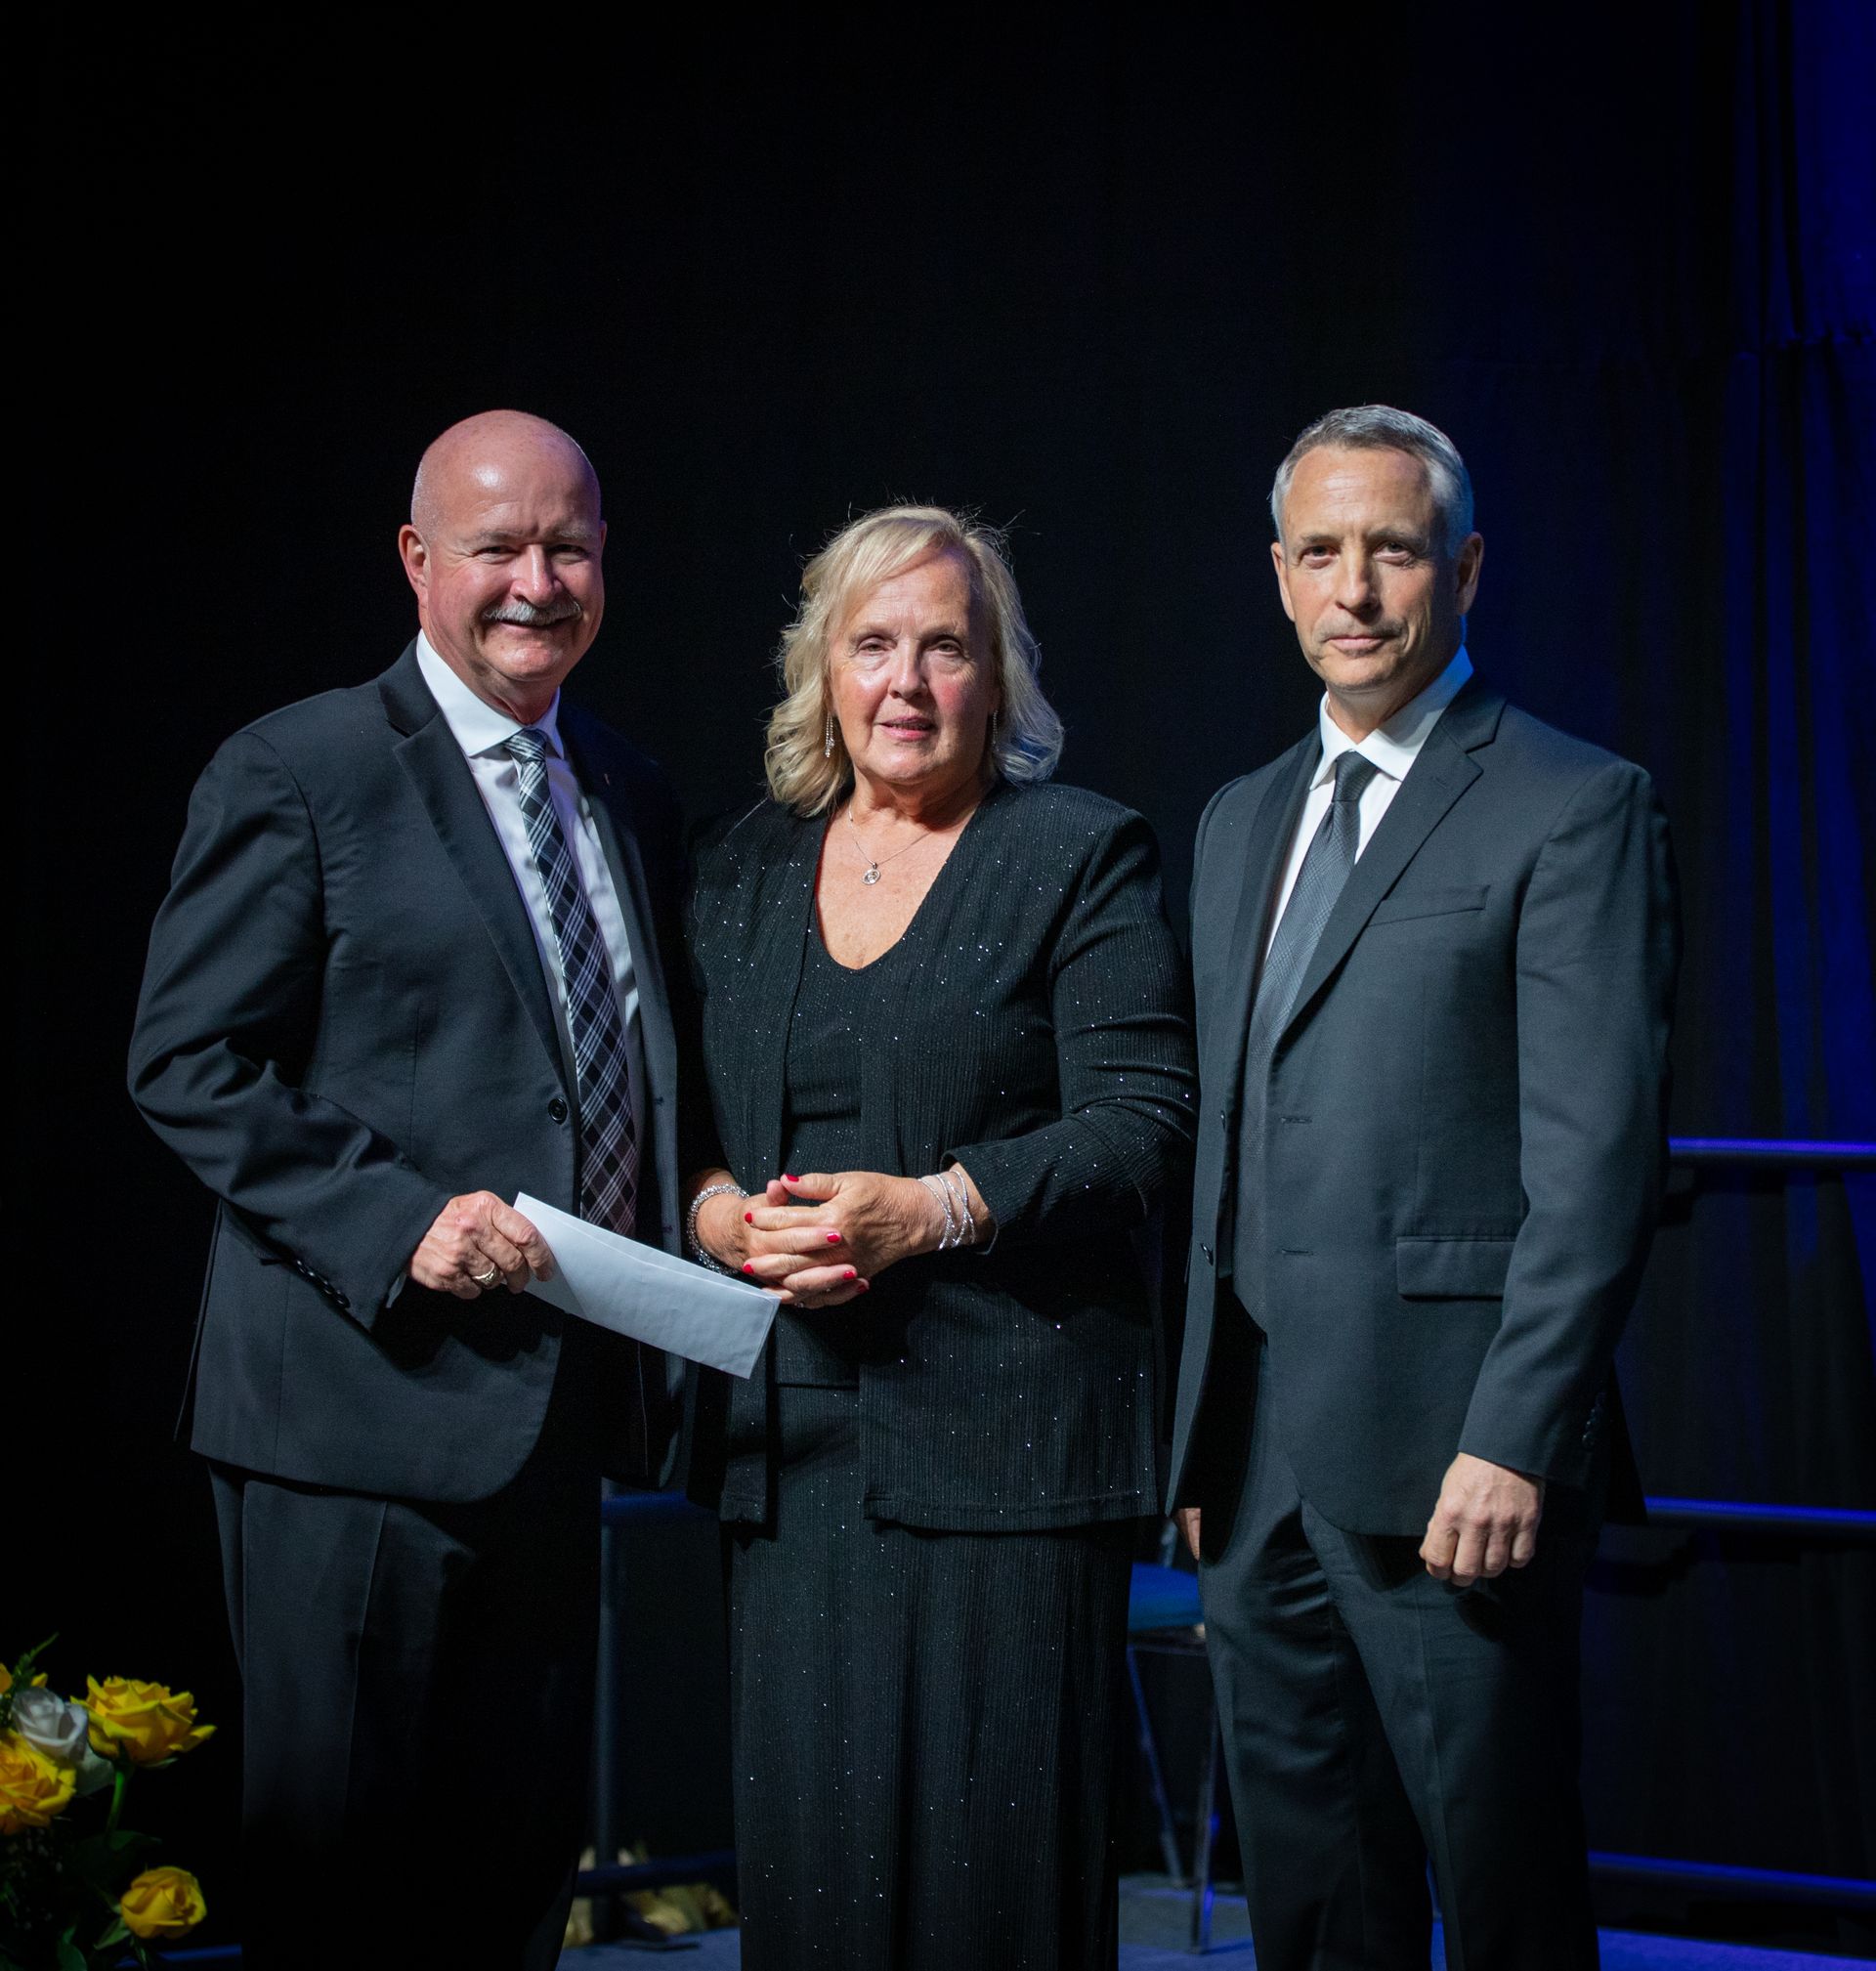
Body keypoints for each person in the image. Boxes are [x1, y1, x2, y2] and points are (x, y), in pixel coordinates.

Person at [128, 410, 703, 1970]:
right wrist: (400, 1220)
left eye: (569, 546)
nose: (538, 579)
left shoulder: (632, 790)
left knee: (511, 1874)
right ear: (417, 560)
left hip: (555, 1423)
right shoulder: (300, 765)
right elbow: (186, 1057)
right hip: (348, 1420)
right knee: (341, 1888)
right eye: (500, 546)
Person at [1167, 406, 1680, 1970]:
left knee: (1505, 1894)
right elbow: (1230, 1148)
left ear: (1462, 567)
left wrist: (1517, 1436)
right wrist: (1201, 1425)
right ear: (1277, 574)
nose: (1357, 589)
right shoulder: (1239, 817)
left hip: (1461, 1472)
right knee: (1315, 1908)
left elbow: (1596, 1165)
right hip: (1259, 1472)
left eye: (1393, 550)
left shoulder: (1573, 802)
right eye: (1320, 552)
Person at [682, 504, 1197, 1969]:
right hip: (795, 1461)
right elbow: (679, 1129)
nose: (907, 681)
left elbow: (1143, 1122)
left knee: (995, 1899)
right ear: (822, 673)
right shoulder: (740, 868)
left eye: (947, 646)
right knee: (815, 1889)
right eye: (874, 643)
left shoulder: (1079, 853)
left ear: (998, 677)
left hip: (1015, 1456)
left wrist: (931, 1207)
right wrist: (717, 1210)